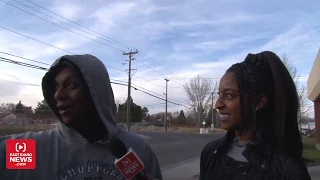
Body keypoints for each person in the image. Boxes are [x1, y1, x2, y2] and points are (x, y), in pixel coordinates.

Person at [0, 54, 163, 180]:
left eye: (71, 85)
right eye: (56, 86)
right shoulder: (30, 150)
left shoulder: (137, 148)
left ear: (96, 93)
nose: (58, 94)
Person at [199, 51, 311, 179]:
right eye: (219, 95)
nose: (218, 104)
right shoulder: (211, 153)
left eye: (229, 95)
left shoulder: (288, 170)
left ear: (258, 101)